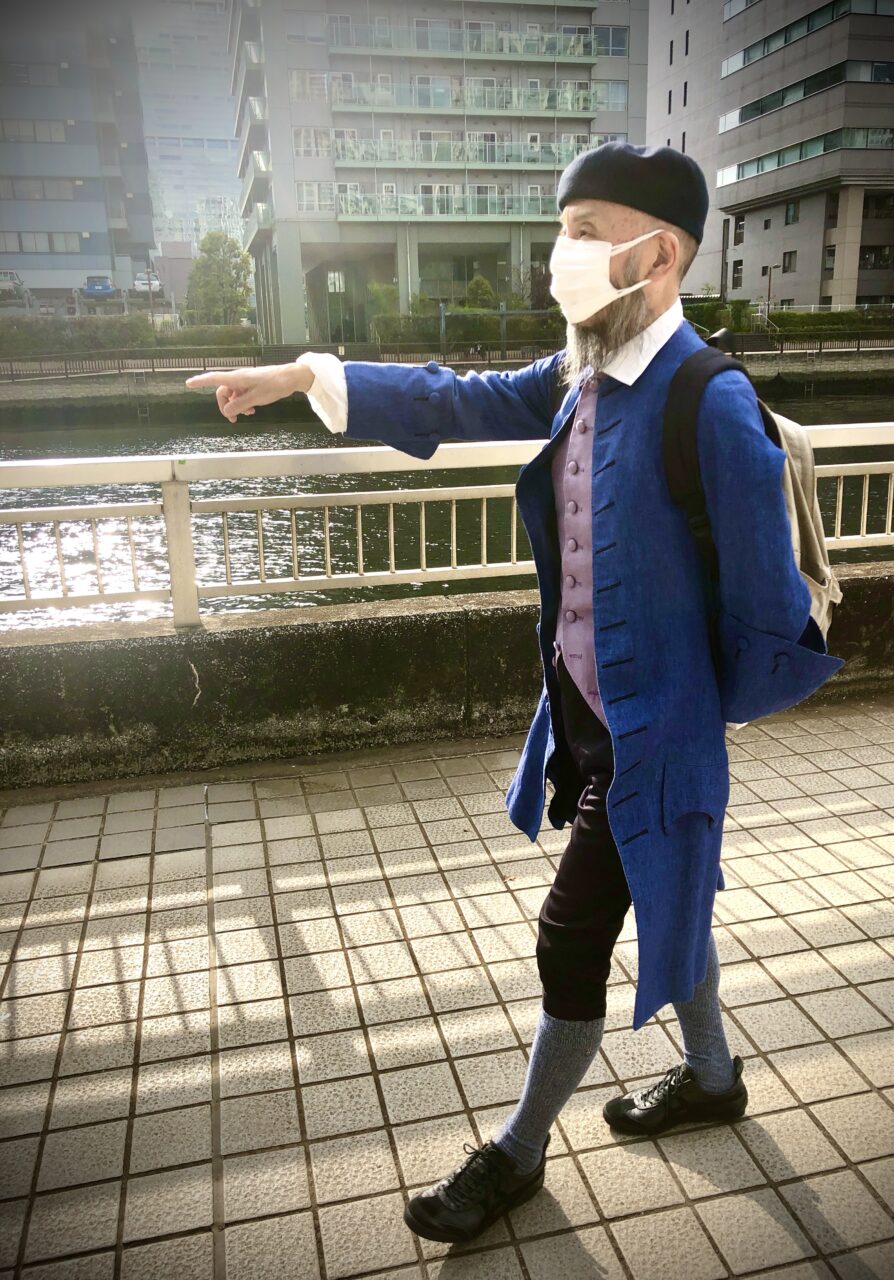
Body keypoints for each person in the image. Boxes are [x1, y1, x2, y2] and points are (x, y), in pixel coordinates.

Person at [186, 144, 843, 1246]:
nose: (562, 254)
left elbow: (771, 608)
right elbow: (455, 397)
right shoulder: (580, 372)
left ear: (659, 255)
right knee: (673, 886)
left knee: (569, 934)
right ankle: (714, 1074)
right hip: (584, 715)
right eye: (563, 229)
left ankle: (519, 1151)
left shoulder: (710, 400)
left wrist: (689, 718)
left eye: (586, 231)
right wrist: (308, 375)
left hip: (656, 737)